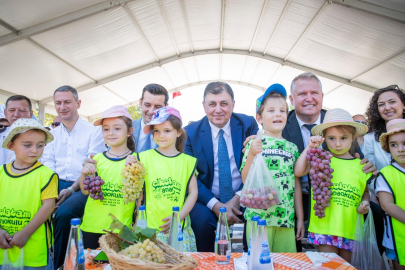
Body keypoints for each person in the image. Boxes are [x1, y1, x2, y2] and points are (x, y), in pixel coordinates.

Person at [184, 82, 259, 252]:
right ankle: (208, 264)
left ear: (233, 104)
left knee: (256, 214)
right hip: (207, 198)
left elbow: (256, 167)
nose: (218, 109)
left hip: (244, 193)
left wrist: (238, 198)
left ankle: (248, 261)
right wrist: (216, 205)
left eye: (224, 103)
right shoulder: (190, 133)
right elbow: (190, 177)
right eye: (212, 104)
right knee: (199, 220)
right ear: (204, 106)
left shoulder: (248, 125)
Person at [295, 108, 372, 263]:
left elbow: (364, 192)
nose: (337, 143)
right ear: (323, 138)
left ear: (353, 138)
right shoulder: (321, 160)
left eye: (343, 138)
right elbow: (298, 171)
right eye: (331, 138)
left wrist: (365, 202)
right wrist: (310, 147)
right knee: (329, 265)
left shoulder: (361, 166)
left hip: (350, 227)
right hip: (325, 227)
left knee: (346, 266)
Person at [41, 85, 106, 269]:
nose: (62, 107)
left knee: (64, 213)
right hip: (54, 183)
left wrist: (70, 190)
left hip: (82, 185)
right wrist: (52, 191)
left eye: (67, 102)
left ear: (78, 103)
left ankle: (60, 264)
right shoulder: (51, 135)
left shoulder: (93, 131)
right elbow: (48, 165)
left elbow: (90, 167)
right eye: (58, 103)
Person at [240, 84, 304, 252]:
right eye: (271, 110)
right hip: (258, 219)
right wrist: (252, 154)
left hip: (285, 219)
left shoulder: (292, 148)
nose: (278, 114)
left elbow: (295, 183)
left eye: (282, 111)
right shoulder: (254, 143)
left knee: (286, 263)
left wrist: (299, 218)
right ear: (259, 118)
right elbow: (245, 180)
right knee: (259, 264)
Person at [126, 107, 198, 251]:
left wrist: (179, 217)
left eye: (167, 130)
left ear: (178, 132)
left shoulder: (188, 162)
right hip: (149, 229)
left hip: (178, 230)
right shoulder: (143, 158)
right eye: (156, 131)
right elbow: (139, 193)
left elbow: (193, 192)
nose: (161, 135)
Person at [0, 119, 57, 270]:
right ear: (11, 145)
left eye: (40, 145)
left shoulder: (47, 175)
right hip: (3, 246)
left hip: (34, 251)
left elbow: (48, 206)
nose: (34, 150)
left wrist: (25, 233)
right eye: (27, 145)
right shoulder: (1, 172)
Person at [79, 105, 136, 248]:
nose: (111, 133)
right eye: (106, 129)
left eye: (117, 128)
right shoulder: (96, 159)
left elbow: (138, 196)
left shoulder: (136, 160)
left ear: (129, 131)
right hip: (91, 226)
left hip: (120, 231)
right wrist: (84, 173)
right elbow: (86, 191)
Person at [363, 84, 405, 255]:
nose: (387, 107)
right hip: (385, 198)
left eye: (392, 102)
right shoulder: (370, 138)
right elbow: (369, 172)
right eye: (381, 104)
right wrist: (382, 192)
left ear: (403, 104)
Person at [376, 119, 405, 270]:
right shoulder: (386, 173)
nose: (400, 149)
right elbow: (387, 204)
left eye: (404, 143)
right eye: (394, 144)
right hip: (396, 237)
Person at [133, 84, 169, 153]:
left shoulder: (172, 133)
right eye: (147, 105)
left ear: (166, 107)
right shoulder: (126, 128)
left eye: (158, 107)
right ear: (140, 103)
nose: (151, 111)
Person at [0, 95, 33, 165]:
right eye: (12, 110)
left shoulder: (40, 138)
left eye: (22, 110)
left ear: (30, 114)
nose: (16, 114)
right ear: (5, 113)